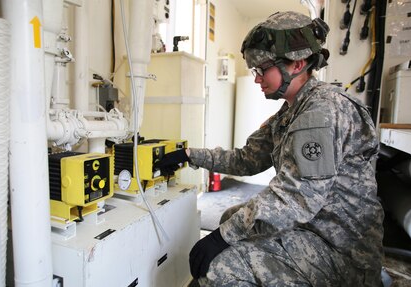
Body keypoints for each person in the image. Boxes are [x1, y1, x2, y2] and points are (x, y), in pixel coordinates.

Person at [154, 11, 384, 287]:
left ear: (297, 64)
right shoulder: (291, 113)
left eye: (262, 69)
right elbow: (245, 160)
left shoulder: (322, 111)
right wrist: (191, 155)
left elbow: (294, 198)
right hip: (313, 225)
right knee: (231, 217)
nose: (256, 78)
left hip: (340, 249)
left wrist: (221, 237)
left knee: (221, 267)